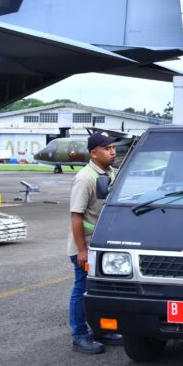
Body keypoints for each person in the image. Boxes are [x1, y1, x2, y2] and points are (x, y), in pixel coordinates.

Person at [67, 131, 119, 354]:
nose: (113, 152)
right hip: (86, 246)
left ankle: (102, 330)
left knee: (103, 290)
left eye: (113, 147)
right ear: (94, 153)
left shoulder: (111, 173)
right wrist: (82, 250)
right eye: (107, 148)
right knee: (82, 289)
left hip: (103, 244)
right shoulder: (85, 178)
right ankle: (79, 336)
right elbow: (76, 216)